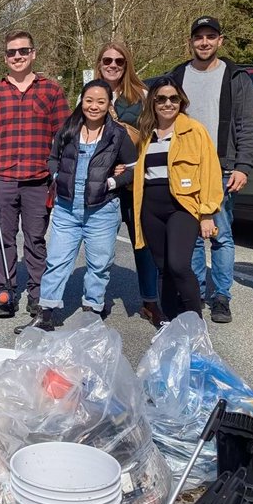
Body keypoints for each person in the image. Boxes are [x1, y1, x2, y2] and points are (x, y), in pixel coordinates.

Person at [168, 16, 253, 324]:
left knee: (221, 235)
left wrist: (243, 166)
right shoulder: (178, 75)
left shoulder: (235, 76)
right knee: (191, 236)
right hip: (184, 168)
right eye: (199, 37)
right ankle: (193, 293)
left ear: (220, 40)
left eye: (210, 36)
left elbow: (247, 124)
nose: (204, 42)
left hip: (222, 167)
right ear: (191, 41)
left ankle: (221, 296)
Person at [0, 30, 67, 319]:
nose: (17, 56)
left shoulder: (51, 91)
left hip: (38, 181)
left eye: (23, 51)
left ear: (33, 54)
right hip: (1, 180)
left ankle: (38, 293)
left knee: (36, 239)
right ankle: (5, 291)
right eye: (12, 52)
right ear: (5, 57)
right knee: (3, 239)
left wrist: (58, 174)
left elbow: (63, 137)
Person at [31, 80, 138, 331]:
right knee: (57, 260)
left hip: (102, 209)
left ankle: (92, 309)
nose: (94, 106)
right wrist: (58, 177)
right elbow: (53, 158)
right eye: (89, 100)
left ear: (108, 104)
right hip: (67, 208)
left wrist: (112, 182)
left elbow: (133, 169)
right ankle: (45, 312)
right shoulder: (68, 128)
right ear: (82, 101)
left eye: (101, 101)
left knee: (99, 264)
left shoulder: (117, 134)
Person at [133, 77, 224, 321]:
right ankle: (171, 325)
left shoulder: (194, 130)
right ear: (152, 102)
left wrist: (207, 213)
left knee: (179, 265)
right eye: (161, 99)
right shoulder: (146, 134)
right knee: (163, 268)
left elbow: (210, 172)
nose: (167, 104)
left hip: (182, 207)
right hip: (151, 207)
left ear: (181, 101)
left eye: (173, 98)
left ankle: (195, 324)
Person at [97, 39, 162, 326]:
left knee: (142, 242)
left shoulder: (143, 95)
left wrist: (134, 166)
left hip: (136, 180)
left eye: (118, 61)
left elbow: (153, 138)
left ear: (127, 64)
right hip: (104, 181)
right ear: (99, 64)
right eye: (107, 60)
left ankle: (151, 302)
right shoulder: (90, 95)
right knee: (100, 244)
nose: (112, 65)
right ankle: (94, 301)